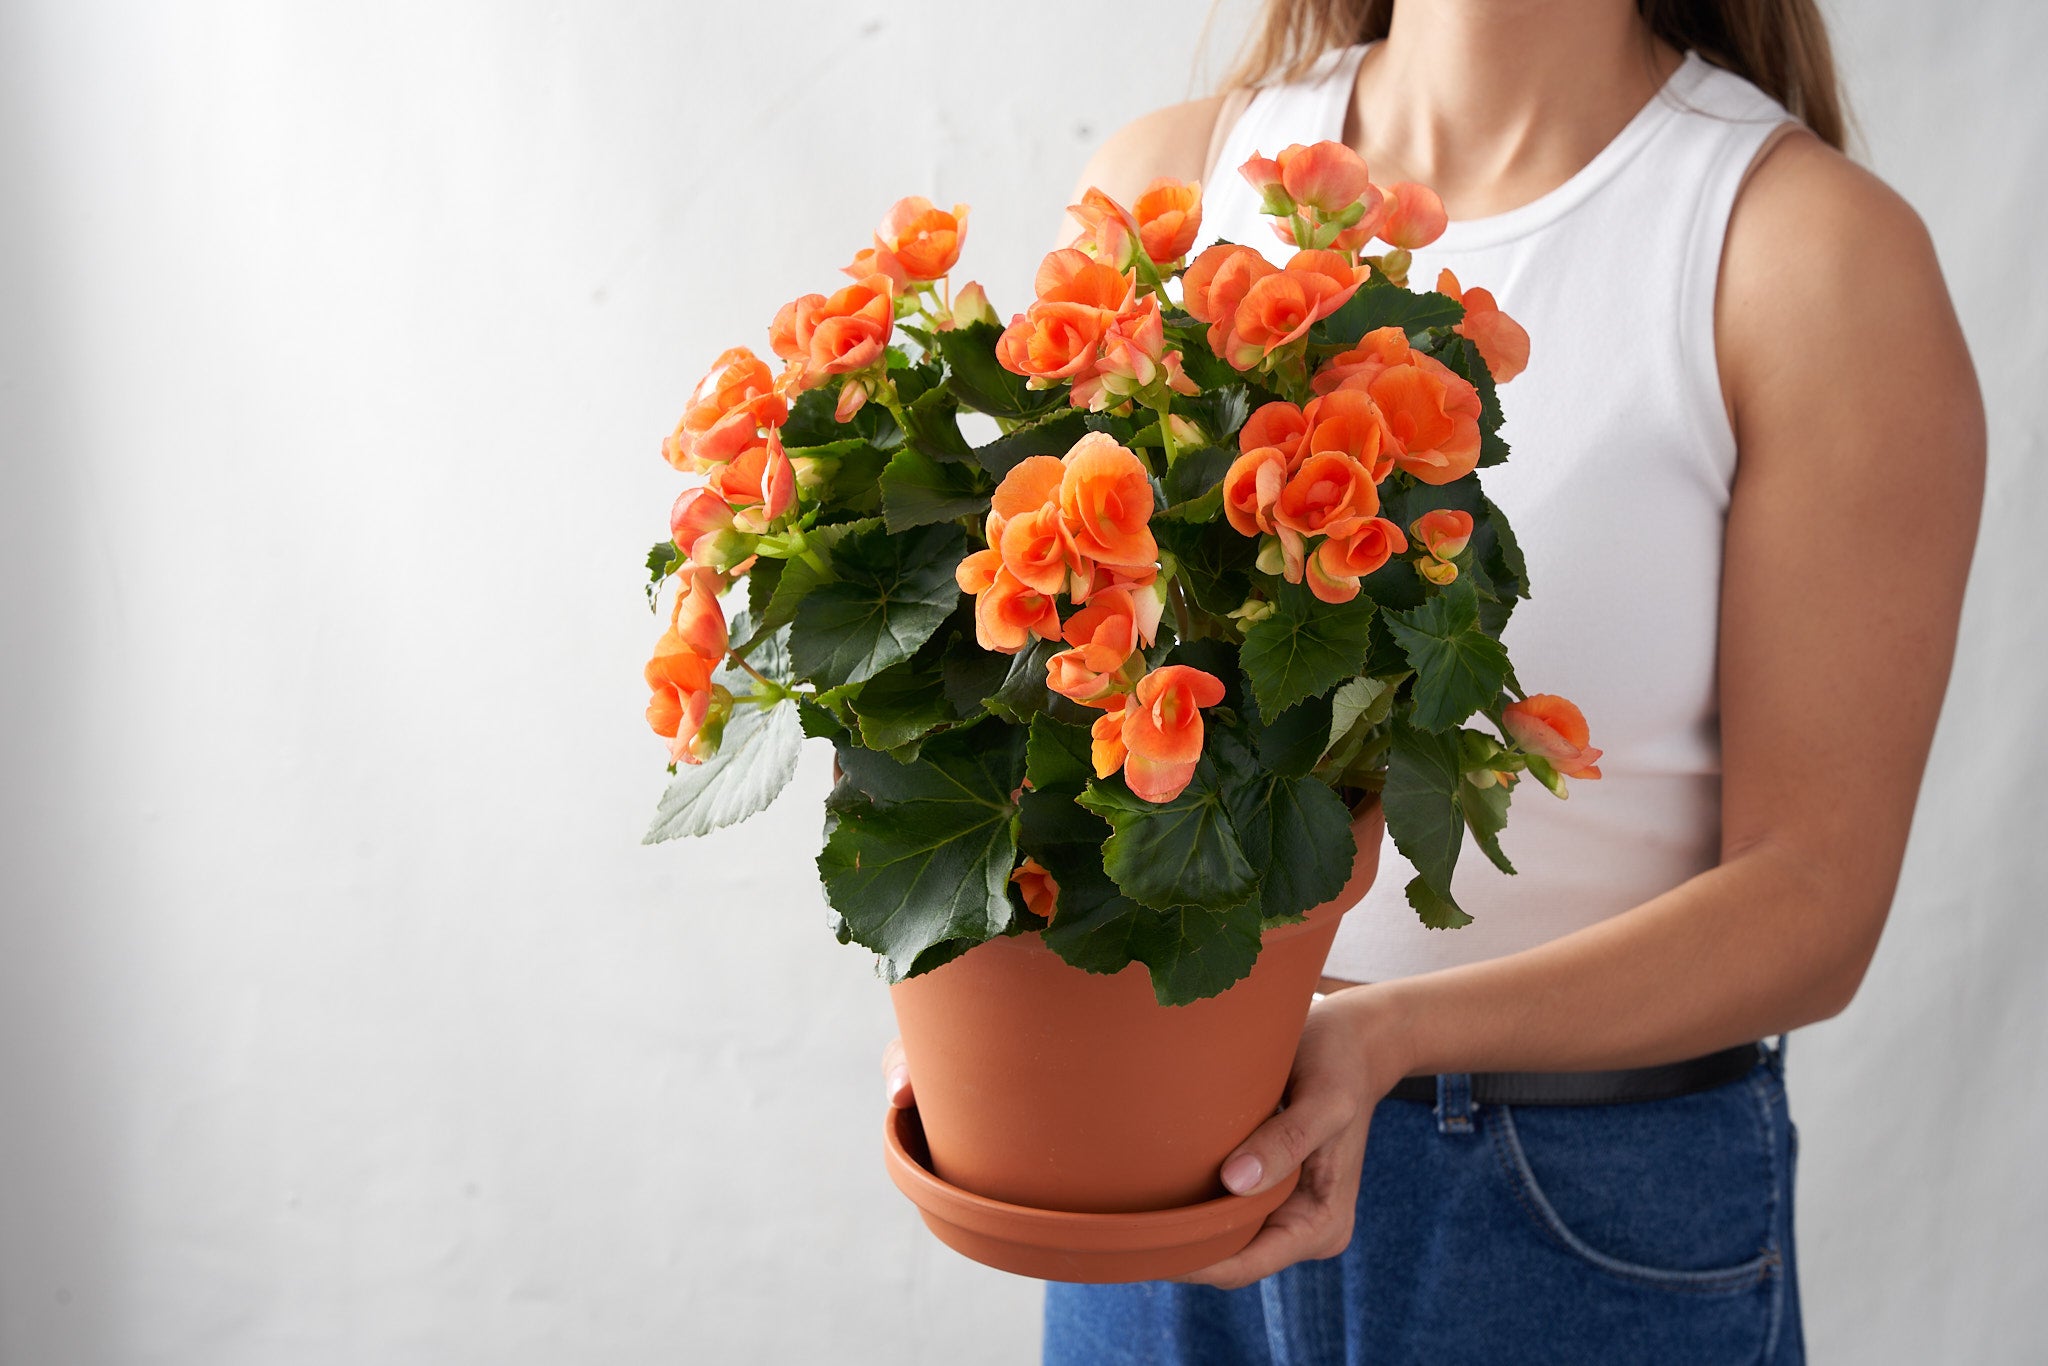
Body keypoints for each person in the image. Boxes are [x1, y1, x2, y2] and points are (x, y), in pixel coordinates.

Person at [883, 0, 1983, 1359]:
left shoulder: (1805, 255)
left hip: (1570, 1209)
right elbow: (1034, 711)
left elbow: (1815, 896)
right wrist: (979, 995)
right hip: (1159, 1162)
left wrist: (1381, 1036)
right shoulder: (1159, 188)